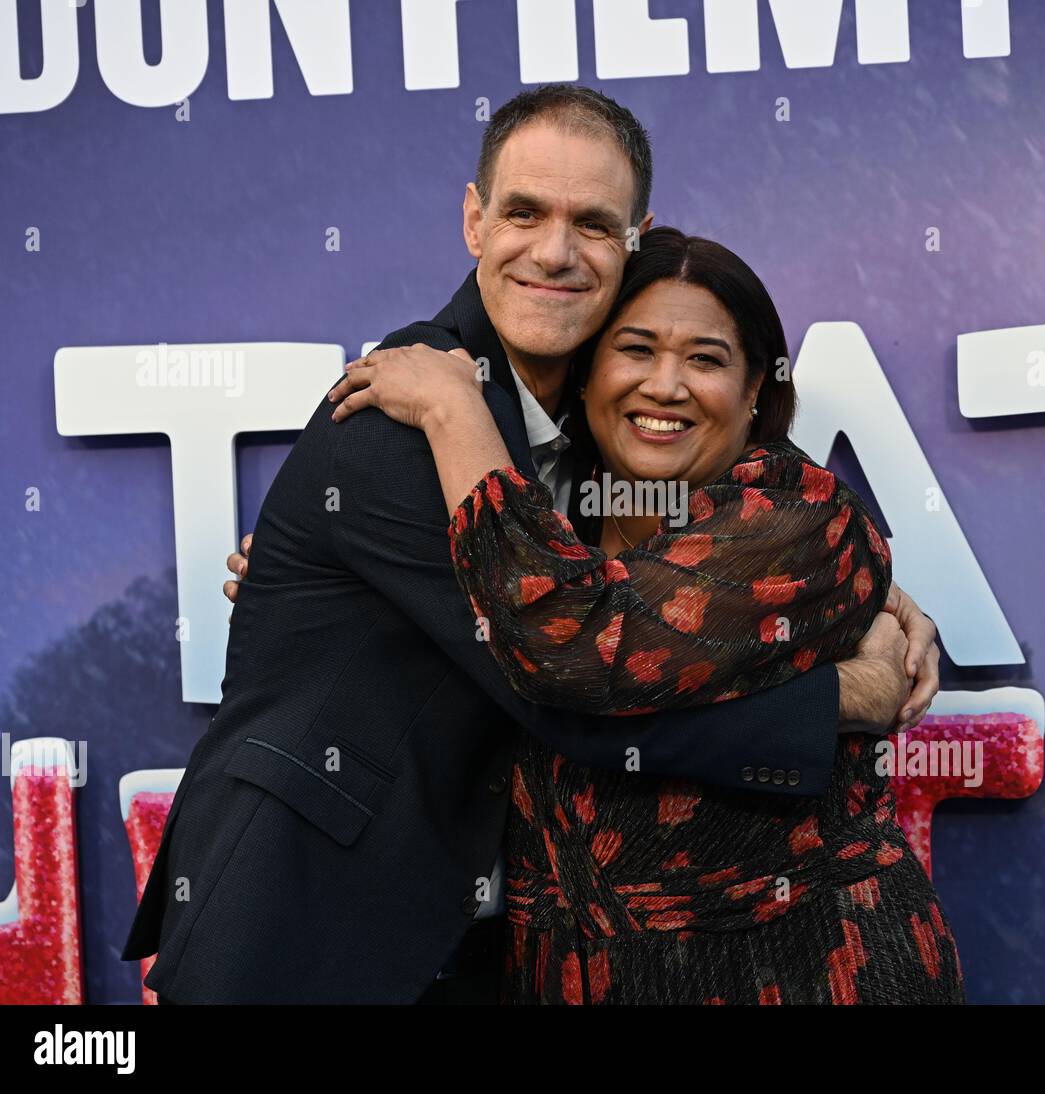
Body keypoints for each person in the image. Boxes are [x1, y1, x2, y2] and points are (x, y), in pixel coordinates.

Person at [126, 83, 940, 1004]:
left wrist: (867, 590)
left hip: (486, 945)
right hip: (307, 934)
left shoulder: (589, 430)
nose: (552, 251)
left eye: (592, 222)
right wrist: (847, 691)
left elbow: (698, 568)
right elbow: (572, 683)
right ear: (474, 221)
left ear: (633, 240)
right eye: (523, 212)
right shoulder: (404, 413)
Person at [320, 226, 964, 1004]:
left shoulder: (793, 509)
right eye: (635, 349)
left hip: (805, 969)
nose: (666, 385)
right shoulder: (544, 512)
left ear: (757, 386)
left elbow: (577, 646)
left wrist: (455, 410)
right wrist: (352, 577)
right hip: (565, 974)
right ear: (587, 374)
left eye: (706, 358)